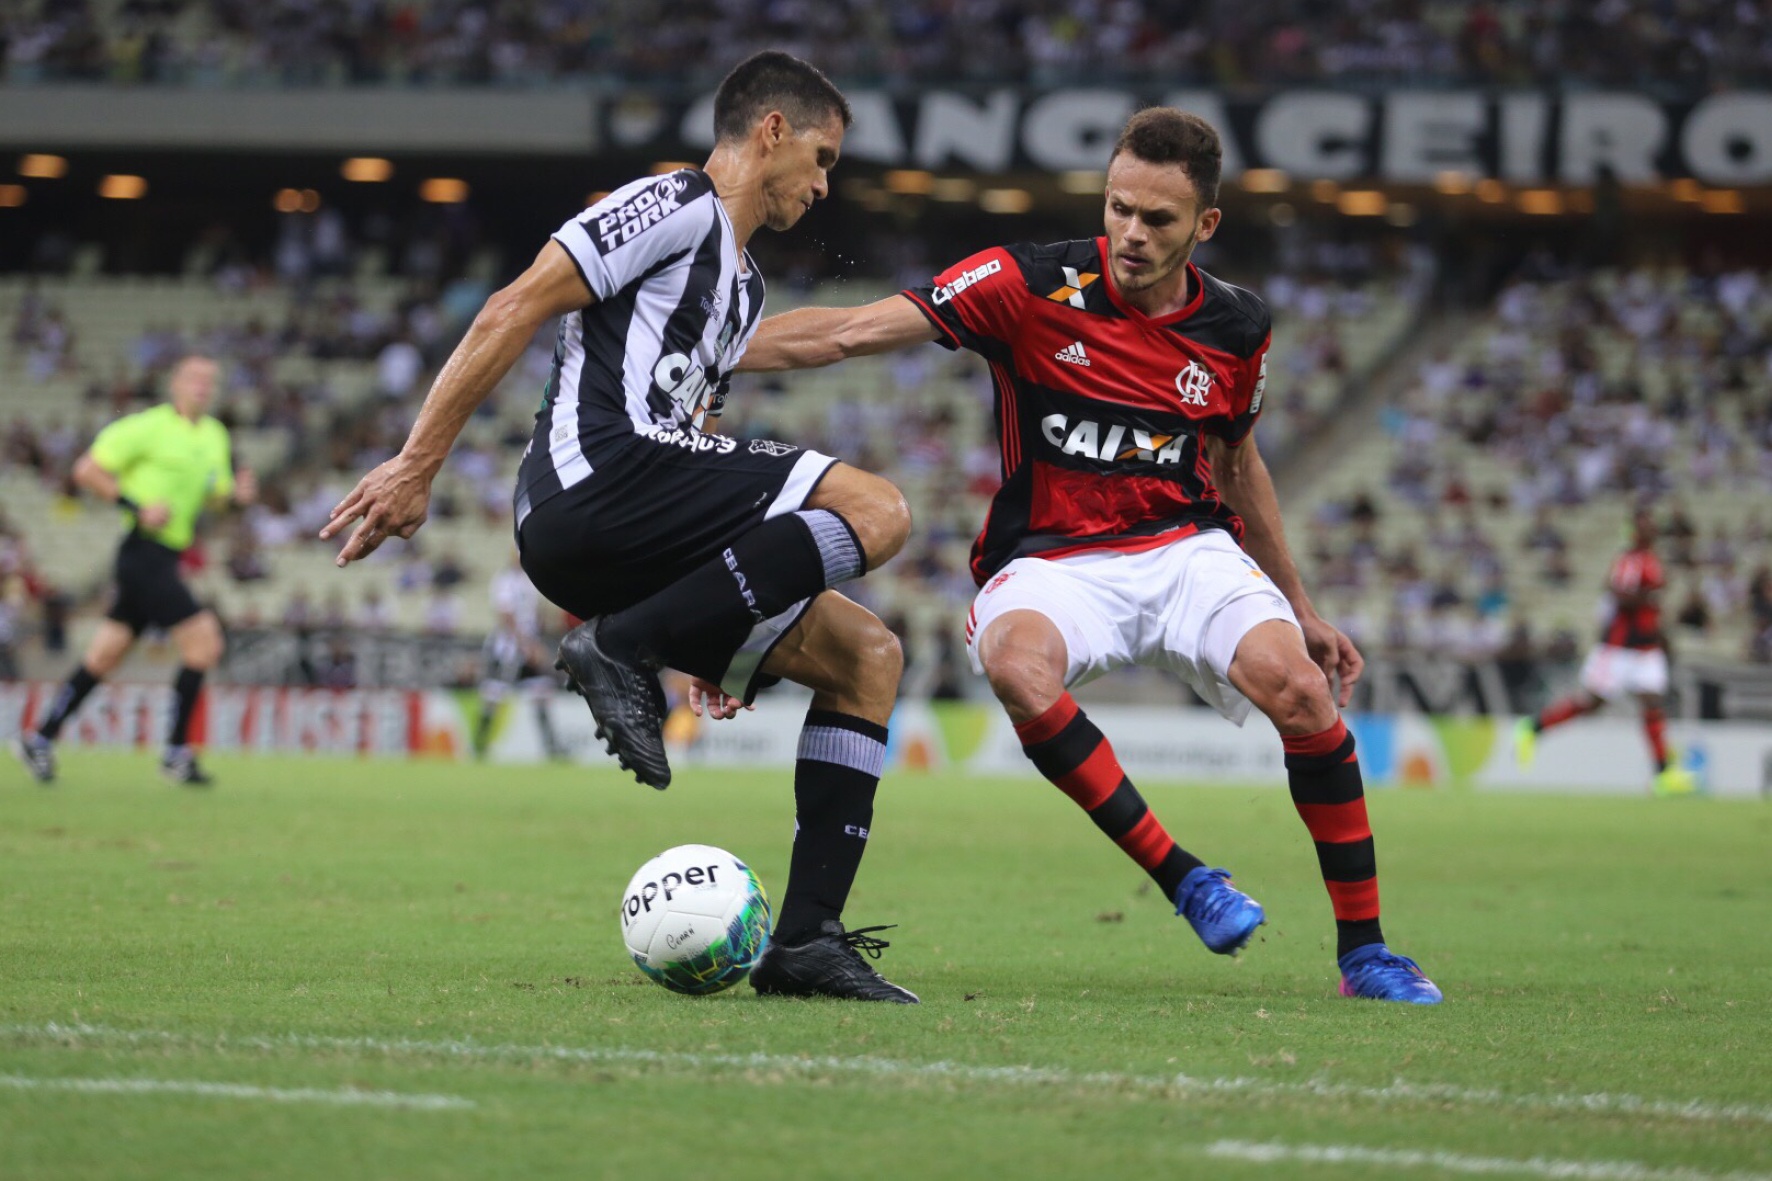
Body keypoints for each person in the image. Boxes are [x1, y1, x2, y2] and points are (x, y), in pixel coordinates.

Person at [738, 106, 1441, 1004]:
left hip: (1186, 548)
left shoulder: (1237, 327)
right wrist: (698, 352)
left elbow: (1236, 463)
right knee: (1016, 664)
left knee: (1303, 691)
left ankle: (1367, 953)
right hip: (1054, 559)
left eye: (1157, 220)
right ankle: (1186, 876)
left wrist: (1300, 608)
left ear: (1205, 226)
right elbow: (850, 333)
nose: (1130, 234)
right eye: (1118, 209)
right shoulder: (1025, 283)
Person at [319, 52, 916, 1003]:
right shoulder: (672, 200)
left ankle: (806, 942)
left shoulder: (742, 287)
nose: (824, 182)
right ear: (770, 131)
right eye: (822, 154)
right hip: (595, 477)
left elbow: (714, 420)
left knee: (867, 656)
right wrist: (416, 462)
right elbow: (514, 304)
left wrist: (710, 620)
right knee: (877, 509)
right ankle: (624, 644)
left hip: (640, 516)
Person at [12, 355, 255, 786]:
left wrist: (237, 496)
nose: (203, 386)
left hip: (166, 556)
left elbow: (215, 497)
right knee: (204, 644)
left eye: (210, 380)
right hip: (142, 553)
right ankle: (177, 753)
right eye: (194, 378)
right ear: (175, 384)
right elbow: (87, 470)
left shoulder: (215, 435)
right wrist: (136, 506)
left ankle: (40, 738)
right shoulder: (147, 427)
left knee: (104, 656)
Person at [1515, 510, 1697, 796]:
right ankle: (1533, 726)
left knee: (1653, 703)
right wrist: (1650, 594)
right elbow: (1620, 596)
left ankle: (1663, 773)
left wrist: (1661, 633)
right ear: (1634, 531)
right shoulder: (1629, 561)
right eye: (1644, 525)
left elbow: (1650, 607)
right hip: (1619, 648)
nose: (1651, 529)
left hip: (1646, 648)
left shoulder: (1652, 561)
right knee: (1591, 703)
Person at [475, 551, 565, 761]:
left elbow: (535, 613)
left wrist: (538, 635)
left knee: (541, 690)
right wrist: (526, 644)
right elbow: (506, 616)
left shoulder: (529, 580)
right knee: (495, 693)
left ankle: (551, 746)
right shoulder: (504, 580)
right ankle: (480, 744)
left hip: (529, 646)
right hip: (508, 649)